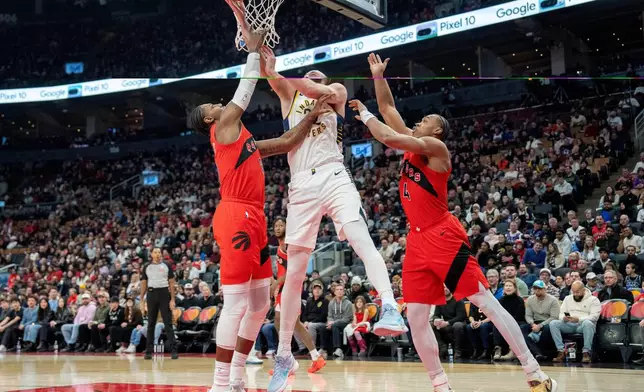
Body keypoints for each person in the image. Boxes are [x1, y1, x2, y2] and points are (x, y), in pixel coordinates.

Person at [344, 52, 557, 392]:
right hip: (416, 241)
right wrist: (378, 77)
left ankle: (534, 371)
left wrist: (364, 114)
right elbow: (389, 111)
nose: (418, 121)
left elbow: (390, 136)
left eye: (424, 119)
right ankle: (440, 385)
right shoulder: (417, 145)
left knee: (484, 302)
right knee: (415, 317)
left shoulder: (436, 147)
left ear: (437, 128)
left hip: (442, 235)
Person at [186, 5, 332, 390]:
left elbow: (285, 141)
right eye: (212, 107)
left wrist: (312, 113)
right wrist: (253, 51)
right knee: (235, 304)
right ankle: (220, 383)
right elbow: (244, 91)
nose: (219, 105)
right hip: (234, 216)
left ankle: (236, 376)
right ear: (208, 121)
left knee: (260, 304)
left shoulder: (243, 138)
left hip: (255, 218)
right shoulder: (224, 129)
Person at [262, 46, 406, 392]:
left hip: (333, 174)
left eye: (317, 76)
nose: (312, 78)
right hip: (300, 186)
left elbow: (314, 89)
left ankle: (388, 305)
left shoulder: (336, 92)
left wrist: (287, 75)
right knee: (294, 273)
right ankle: (284, 355)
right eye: (308, 76)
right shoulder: (290, 99)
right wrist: (268, 65)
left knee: (361, 239)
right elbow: (272, 79)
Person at [269, 217, 326, 373]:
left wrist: (276, 282)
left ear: (287, 228)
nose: (278, 228)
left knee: (284, 322)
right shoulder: (280, 245)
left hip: (289, 287)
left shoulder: (288, 245)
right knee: (291, 324)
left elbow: (292, 271)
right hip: (283, 288)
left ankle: (286, 361)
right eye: (276, 225)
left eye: (281, 225)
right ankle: (314, 357)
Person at [549, 281, 601, 363]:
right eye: (573, 292)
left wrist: (579, 319)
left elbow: (595, 317)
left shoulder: (593, 300)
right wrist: (564, 318)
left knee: (588, 323)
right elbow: (560, 314)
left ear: (583, 290)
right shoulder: (567, 298)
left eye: (577, 292)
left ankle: (586, 352)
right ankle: (561, 351)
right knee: (553, 323)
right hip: (569, 324)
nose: (575, 294)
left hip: (582, 325)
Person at [140, 247, 178, 359]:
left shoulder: (166, 265)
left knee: (168, 323)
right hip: (151, 293)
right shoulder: (147, 266)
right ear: (151, 254)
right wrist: (141, 299)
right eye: (155, 252)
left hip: (164, 293)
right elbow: (143, 283)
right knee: (151, 323)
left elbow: (172, 283)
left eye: (159, 252)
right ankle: (148, 351)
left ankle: (174, 350)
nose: (157, 254)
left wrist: (172, 299)